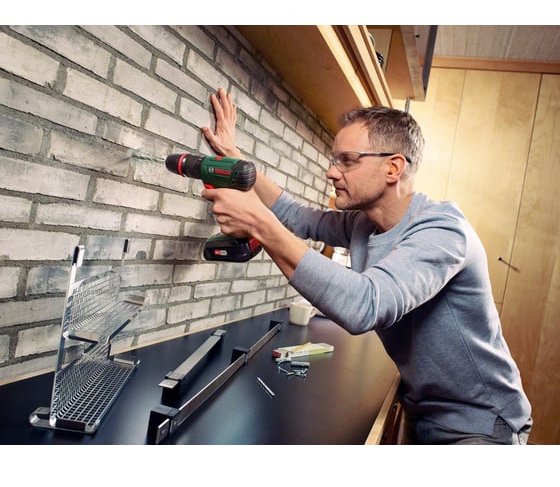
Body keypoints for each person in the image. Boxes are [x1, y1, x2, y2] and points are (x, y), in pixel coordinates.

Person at [200, 88, 533, 445]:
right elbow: (296, 216)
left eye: (347, 160)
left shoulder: (443, 231)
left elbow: (365, 304)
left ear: (393, 167)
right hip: (423, 410)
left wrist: (259, 224)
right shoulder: (364, 224)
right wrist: (237, 161)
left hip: (480, 424)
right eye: (334, 159)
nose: (331, 172)